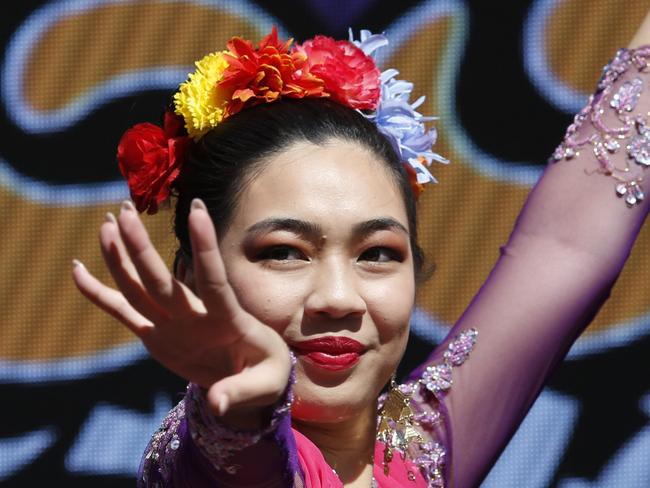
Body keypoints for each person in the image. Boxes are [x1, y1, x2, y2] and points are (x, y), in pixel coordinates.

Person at [71, 16, 650, 488]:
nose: (338, 298)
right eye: (283, 252)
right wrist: (247, 413)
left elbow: (564, 245)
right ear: (194, 280)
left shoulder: (419, 450)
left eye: (376, 253)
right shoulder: (202, 456)